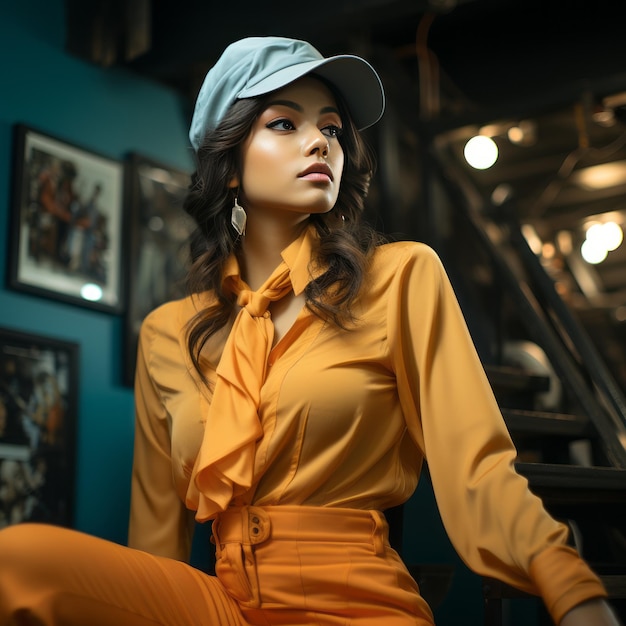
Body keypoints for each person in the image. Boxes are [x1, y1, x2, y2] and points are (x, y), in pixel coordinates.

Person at [0, 36, 621, 626]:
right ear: (232, 165)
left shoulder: (402, 276)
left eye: (331, 128)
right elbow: (157, 537)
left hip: (356, 601)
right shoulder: (168, 333)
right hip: (220, 602)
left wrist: (573, 592)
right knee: (19, 561)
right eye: (284, 123)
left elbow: (479, 470)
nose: (319, 142)